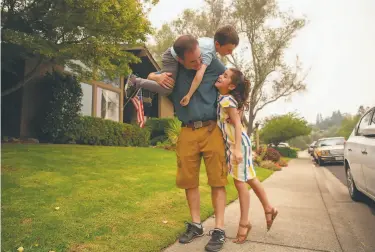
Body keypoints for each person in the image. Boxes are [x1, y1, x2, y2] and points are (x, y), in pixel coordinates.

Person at [148, 35, 228, 252]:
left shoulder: (210, 62)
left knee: (217, 180)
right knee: (188, 180)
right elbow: (152, 74)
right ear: (181, 60)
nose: (198, 63)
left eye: (199, 58)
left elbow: (232, 80)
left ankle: (219, 229)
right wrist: (155, 78)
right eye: (192, 62)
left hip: (212, 129)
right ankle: (195, 225)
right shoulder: (174, 70)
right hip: (187, 130)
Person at [215, 68, 278, 244]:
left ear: (232, 85)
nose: (221, 76)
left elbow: (236, 122)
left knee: (240, 182)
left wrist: (236, 150)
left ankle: (245, 222)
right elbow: (236, 116)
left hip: (238, 145)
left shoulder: (227, 100)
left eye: (225, 76)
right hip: (240, 143)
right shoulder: (226, 98)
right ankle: (268, 208)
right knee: (249, 178)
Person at [124, 25, 239, 104]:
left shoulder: (209, 42)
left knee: (165, 81)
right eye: (229, 49)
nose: (230, 53)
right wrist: (189, 95)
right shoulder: (209, 53)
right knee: (167, 89)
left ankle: (147, 82)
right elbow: (198, 76)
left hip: (177, 57)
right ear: (218, 44)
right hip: (171, 57)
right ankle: (136, 81)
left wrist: (153, 76)